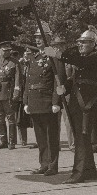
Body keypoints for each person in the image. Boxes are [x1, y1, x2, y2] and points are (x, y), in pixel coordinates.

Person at [42, 26, 97, 184]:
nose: (81, 45)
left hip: (87, 104)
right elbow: (77, 79)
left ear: (93, 44)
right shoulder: (83, 57)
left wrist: (57, 54)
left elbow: (80, 62)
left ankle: (79, 172)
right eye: (80, 43)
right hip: (78, 102)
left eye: (84, 43)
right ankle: (89, 171)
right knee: (80, 136)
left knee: (82, 138)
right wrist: (65, 87)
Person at [24, 40, 64, 176]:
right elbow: (28, 81)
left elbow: (58, 80)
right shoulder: (33, 58)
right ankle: (44, 164)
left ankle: (52, 165)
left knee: (51, 136)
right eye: (35, 37)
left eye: (41, 37)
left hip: (47, 101)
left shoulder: (53, 57)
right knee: (40, 136)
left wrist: (56, 101)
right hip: (35, 101)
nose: (37, 40)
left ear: (48, 38)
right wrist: (26, 101)